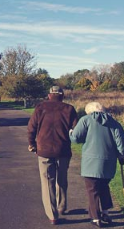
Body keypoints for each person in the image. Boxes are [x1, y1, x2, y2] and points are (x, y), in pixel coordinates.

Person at [70, 101, 124, 228]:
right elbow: (121, 143)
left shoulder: (85, 120)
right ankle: (106, 212)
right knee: (103, 186)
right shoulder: (113, 122)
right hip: (109, 162)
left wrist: (70, 132)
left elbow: (75, 138)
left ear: (89, 111)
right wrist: (122, 155)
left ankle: (95, 218)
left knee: (92, 190)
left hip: (90, 163)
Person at [28, 86, 78, 225]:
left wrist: (31, 143)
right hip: (63, 150)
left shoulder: (40, 107)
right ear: (62, 95)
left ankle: (52, 215)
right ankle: (62, 206)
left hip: (44, 150)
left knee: (47, 182)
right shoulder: (69, 109)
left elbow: (31, 127)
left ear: (49, 95)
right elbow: (76, 129)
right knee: (62, 179)